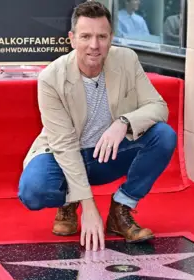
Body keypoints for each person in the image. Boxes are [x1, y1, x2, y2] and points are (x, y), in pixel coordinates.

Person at [18, 1, 176, 252]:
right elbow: (64, 145)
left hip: (107, 153)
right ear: (71, 39)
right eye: (86, 36)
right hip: (62, 156)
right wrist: (88, 207)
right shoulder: (51, 78)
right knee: (34, 191)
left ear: (111, 37)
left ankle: (121, 208)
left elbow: (158, 107)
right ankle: (69, 202)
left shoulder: (126, 60)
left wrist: (123, 123)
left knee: (163, 136)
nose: (94, 45)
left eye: (102, 36)